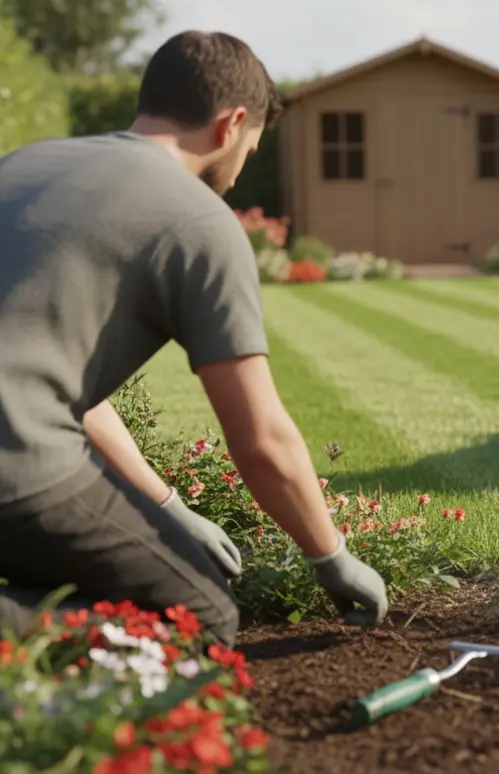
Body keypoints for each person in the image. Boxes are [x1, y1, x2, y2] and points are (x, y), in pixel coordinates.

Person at [0, 30, 389, 647]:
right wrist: (330, 556)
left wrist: (166, 508)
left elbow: (61, 388)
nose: (237, 176)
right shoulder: (198, 217)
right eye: (251, 151)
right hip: (13, 469)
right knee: (201, 616)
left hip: (16, 447)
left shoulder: (27, 166)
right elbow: (259, 438)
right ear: (231, 124)